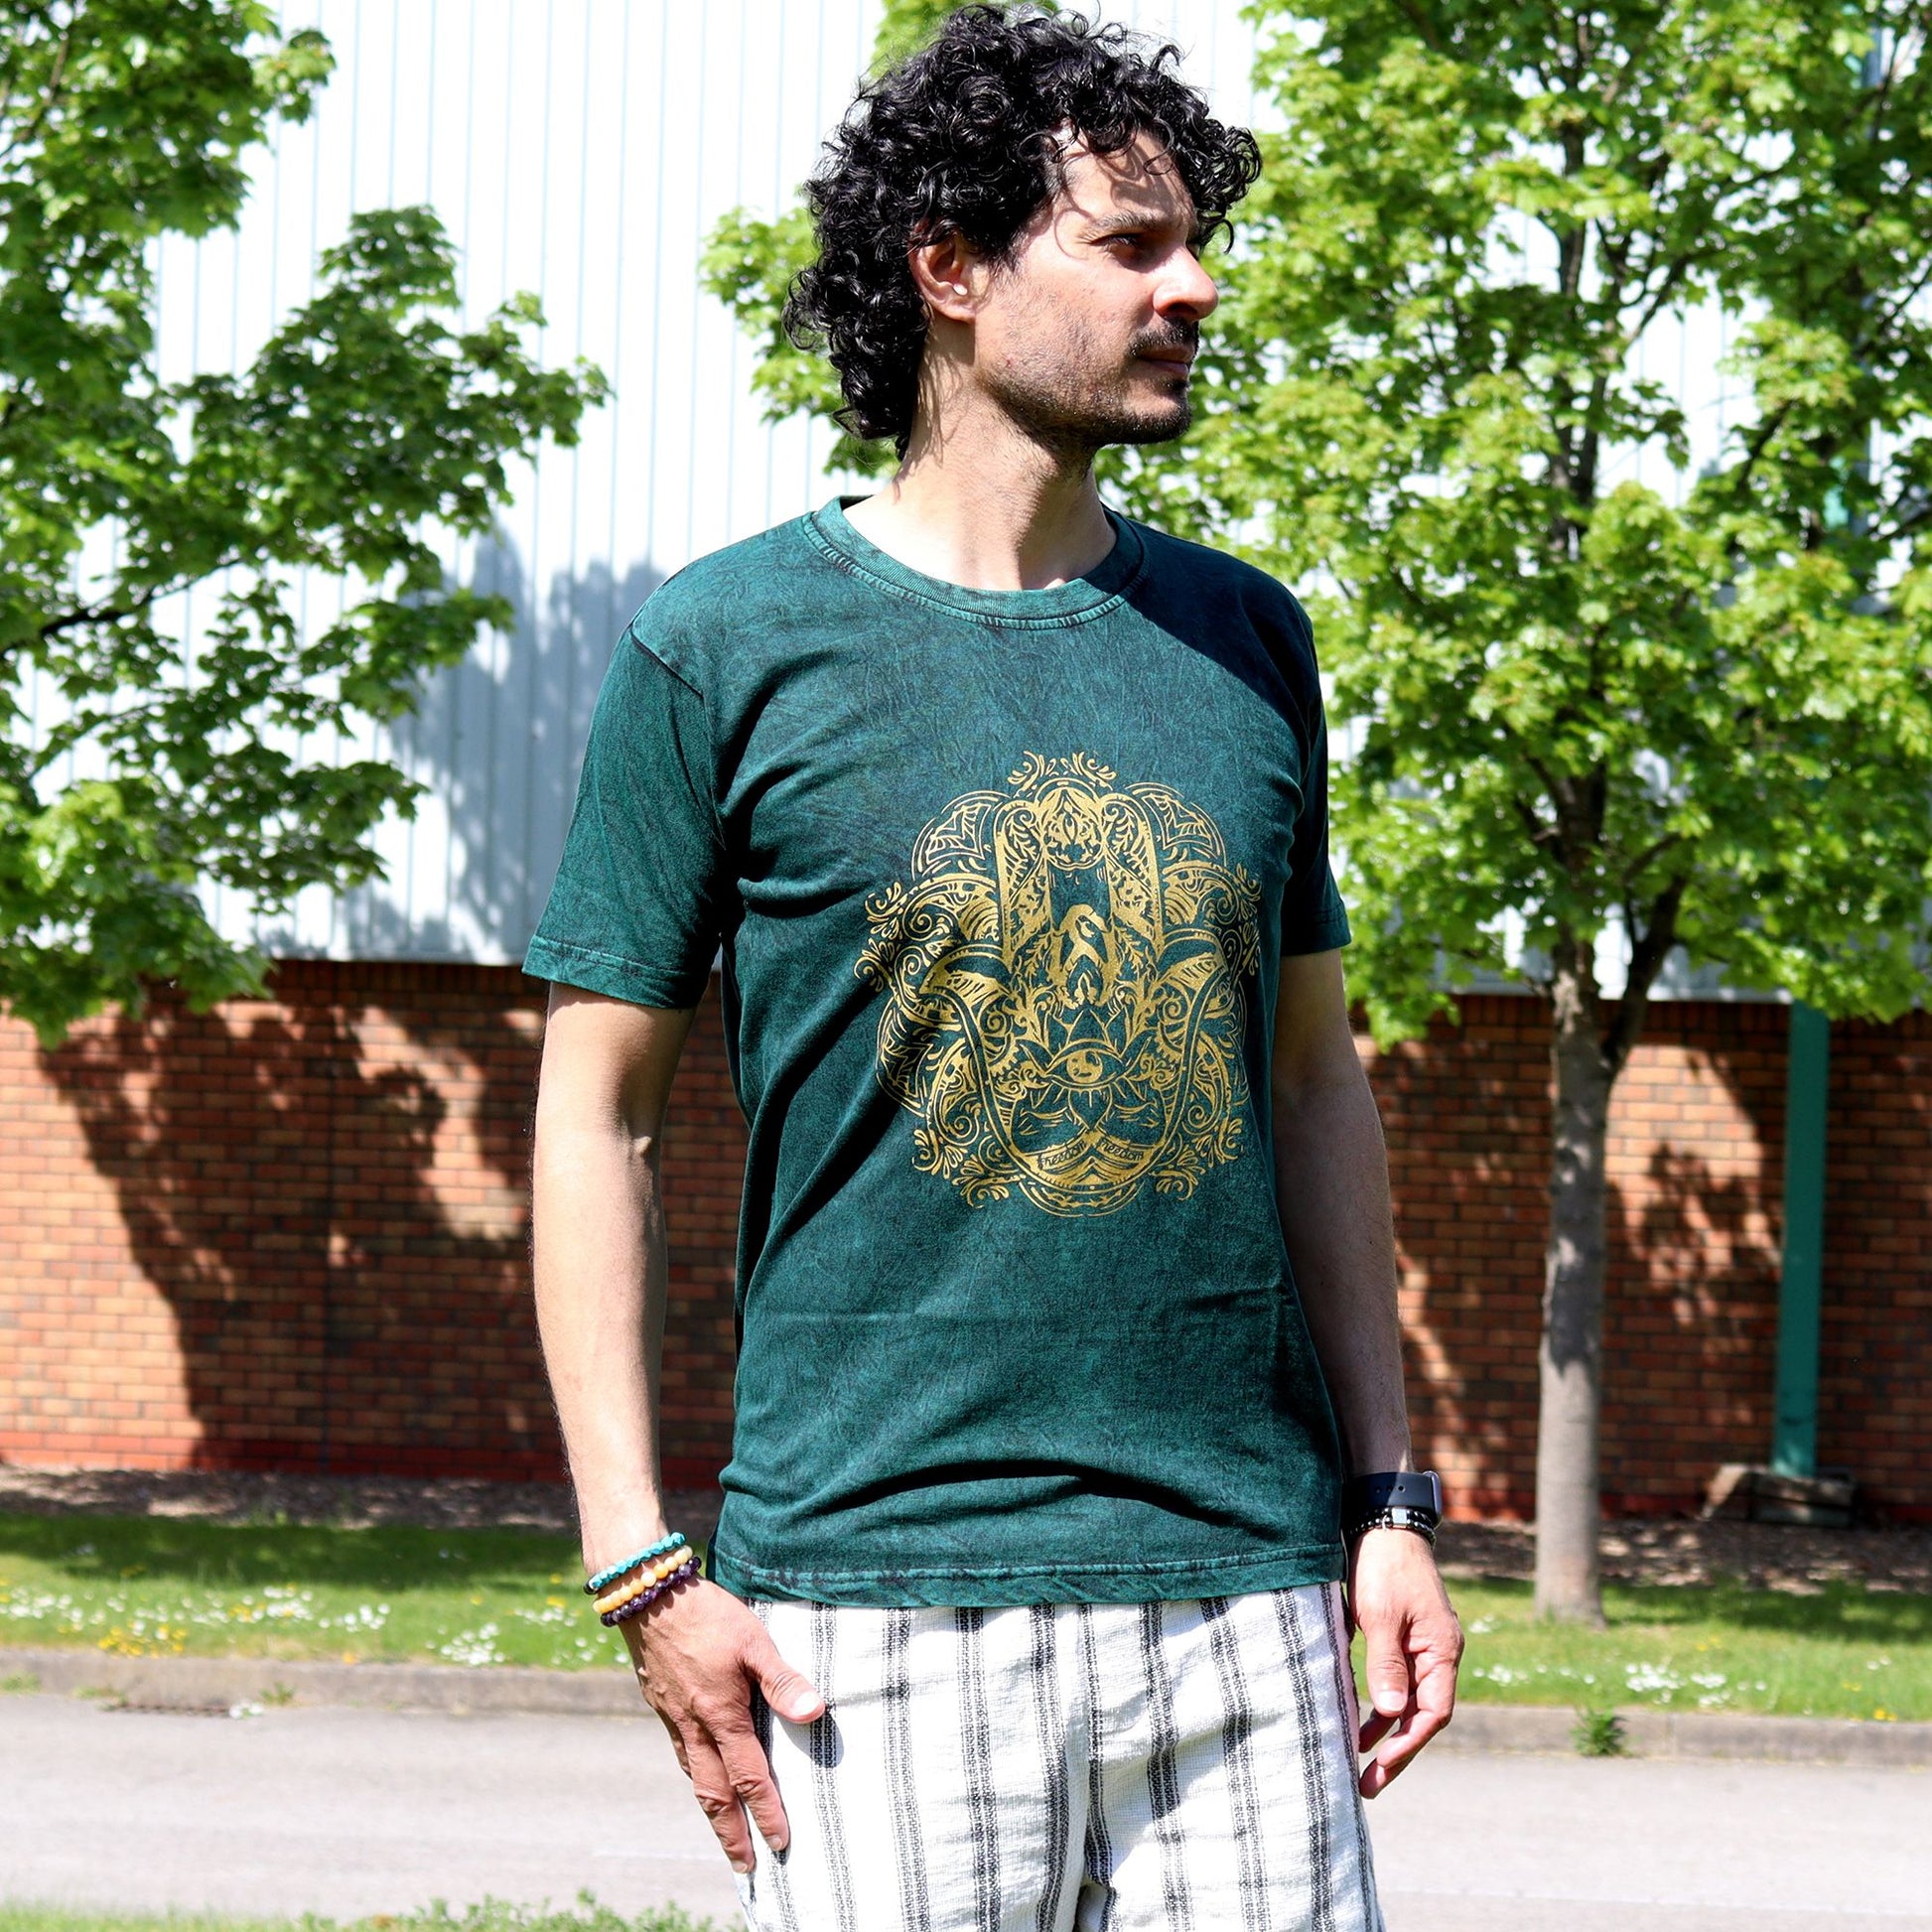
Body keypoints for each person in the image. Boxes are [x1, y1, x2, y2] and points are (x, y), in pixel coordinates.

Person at [526, 9, 1461, 1929]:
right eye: (1129, 245)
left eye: (1193, 243)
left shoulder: (1244, 639)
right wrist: (637, 1561)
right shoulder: (726, 645)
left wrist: (1387, 1497)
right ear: (949, 270)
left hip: (1242, 1595)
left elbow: (1310, 1081)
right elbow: (592, 1116)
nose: (1192, 286)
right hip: (866, 1606)